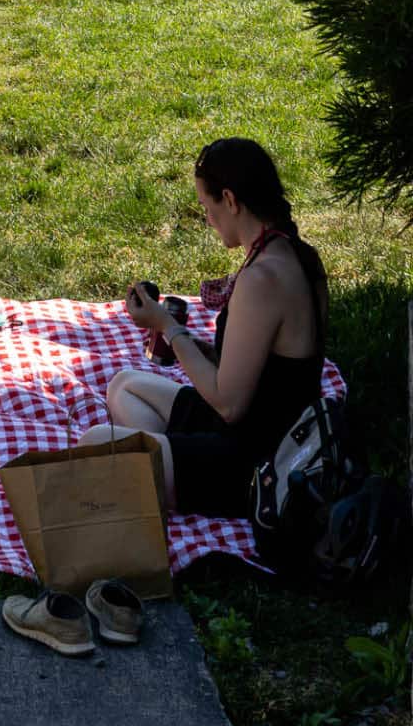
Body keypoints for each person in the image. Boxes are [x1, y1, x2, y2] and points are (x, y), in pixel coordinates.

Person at [78, 139, 327, 518]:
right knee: (124, 384)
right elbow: (274, 368)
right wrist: (201, 348)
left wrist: (169, 329)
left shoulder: (262, 279)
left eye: (206, 207)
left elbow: (228, 404)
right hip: (259, 424)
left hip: (259, 463)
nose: (207, 219)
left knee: (94, 444)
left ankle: (171, 473)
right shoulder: (294, 253)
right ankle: (168, 466)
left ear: (229, 199)